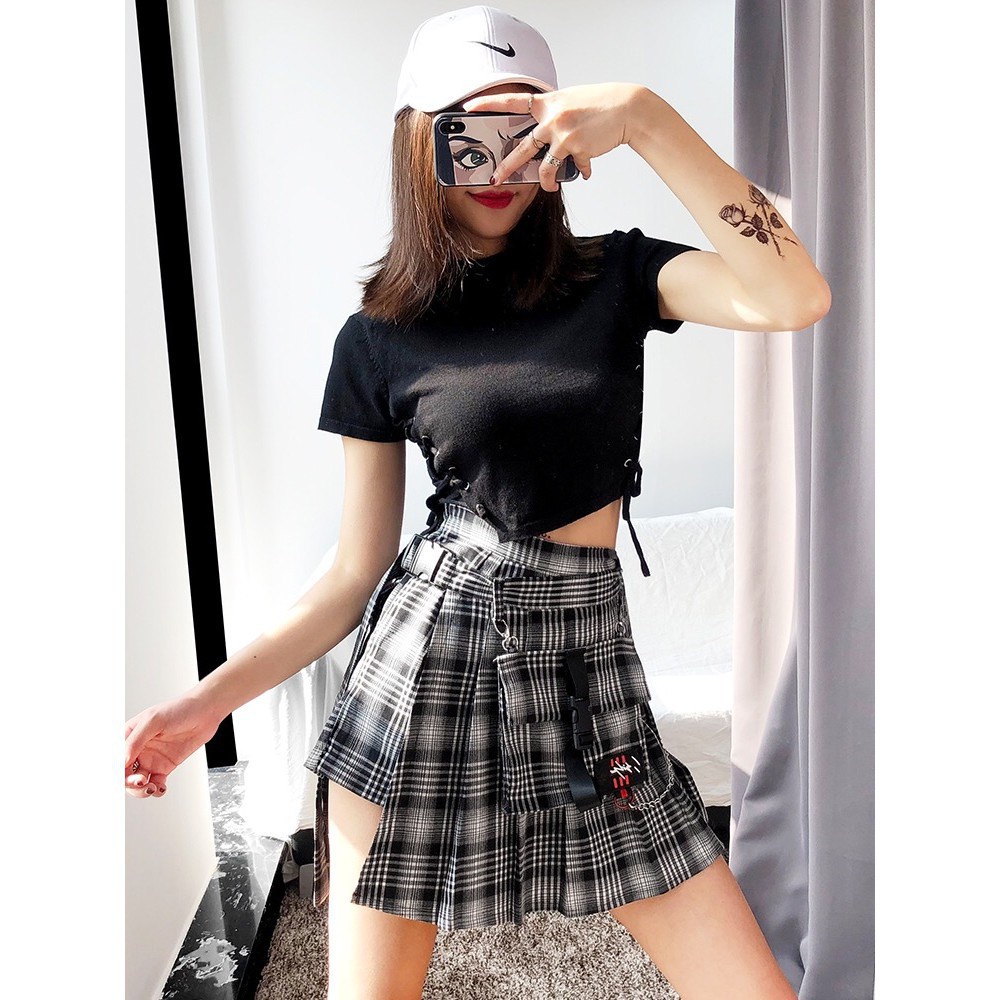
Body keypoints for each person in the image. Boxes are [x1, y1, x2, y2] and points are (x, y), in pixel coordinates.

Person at [125, 6, 828, 998]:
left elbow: (794, 294)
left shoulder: (618, 275)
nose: (497, 163)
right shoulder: (377, 337)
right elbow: (352, 573)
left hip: (586, 670)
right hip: (422, 671)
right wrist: (210, 702)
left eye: (522, 128)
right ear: (419, 143)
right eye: (466, 132)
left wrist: (646, 117)